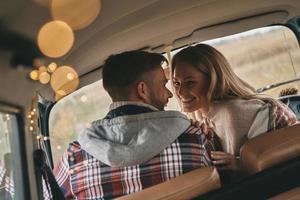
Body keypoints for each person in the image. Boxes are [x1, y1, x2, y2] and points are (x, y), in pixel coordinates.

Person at [54, 50, 216, 199]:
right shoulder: (194, 138)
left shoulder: (73, 157)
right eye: (163, 84)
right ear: (142, 90)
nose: (170, 94)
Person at [171, 43, 297, 170]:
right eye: (176, 83)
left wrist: (240, 164)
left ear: (213, 80)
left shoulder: (232, 112)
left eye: (190, 83)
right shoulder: (204, 116)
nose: (180, 92)